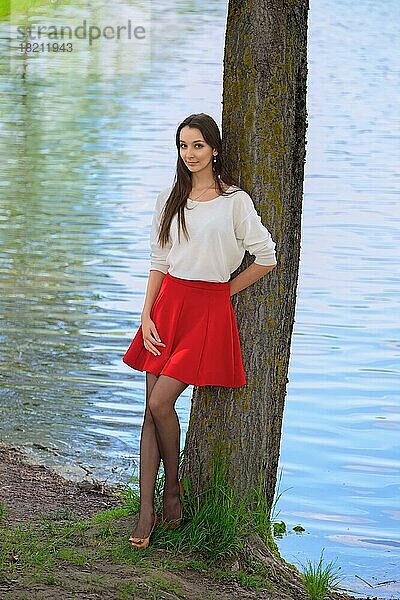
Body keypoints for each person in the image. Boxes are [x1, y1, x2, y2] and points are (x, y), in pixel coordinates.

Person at [122, 113, 277, 549]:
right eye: (183, 146)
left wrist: (224, 291)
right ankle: (148, 510)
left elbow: (266, 257)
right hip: (167, 306)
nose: (190, 154)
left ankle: (173, 487)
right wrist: (146, 314)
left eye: (198, 146)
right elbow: (159, 260)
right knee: (150, 412)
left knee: (160, 401)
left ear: (214, 149)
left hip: (207, 310)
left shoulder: (235, 202)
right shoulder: (170, 197)